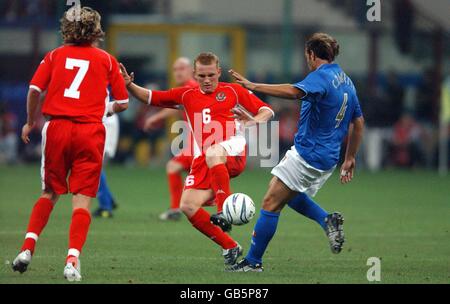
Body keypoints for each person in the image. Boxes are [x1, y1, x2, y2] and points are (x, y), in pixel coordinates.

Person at [120, 52, 274, 267]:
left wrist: (253, 121)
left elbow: (267, 110)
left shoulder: (233, 91)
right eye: (202, 75)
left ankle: (223, 210)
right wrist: (130, 86)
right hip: (206, 158)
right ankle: (230, 246)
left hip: (233, 150)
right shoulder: (187, 95)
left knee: (212, 152)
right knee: (188, 206)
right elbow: (151, 97)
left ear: (219, 72)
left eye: (211, 74)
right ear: (195, 74)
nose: (207, 80)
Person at [228, 33, 365, 272]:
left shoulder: (321, 77)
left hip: (308, 155)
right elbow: (359, 121)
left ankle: (253, 262)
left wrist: (253, 86)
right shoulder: (346, 81)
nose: (307, 61)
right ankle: (326, 219)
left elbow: (293, 92)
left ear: (312, 55)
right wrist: (350, 157)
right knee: (288, 196)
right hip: (327, 158)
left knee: (271, 201)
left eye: (306, 56)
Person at [11, 6, 129, 281]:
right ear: (96, 30)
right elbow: (122, 103)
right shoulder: (107, 60)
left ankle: (27, 249)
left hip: (58, 128)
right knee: (82, 201)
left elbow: (34, 91)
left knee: (49, 193)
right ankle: (72, 260)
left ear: (66, 29)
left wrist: (29, 121)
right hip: (90, 131)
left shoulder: (54, 55)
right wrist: (103, 109)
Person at [143, 57, 198, 221]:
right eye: (175, 69)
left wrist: (156, 117)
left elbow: (175, 107)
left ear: (191, 71)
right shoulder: (186, 88)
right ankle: (176, 209)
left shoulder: (192, 88)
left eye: (181, 68)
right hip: (195, 144)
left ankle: (222, 207)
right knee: (174, 167)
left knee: (184, 172)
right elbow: (177, 106)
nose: (178, 72)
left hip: (202, 144)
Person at [93, 113, 120, 218]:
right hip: (97, 118)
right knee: (95, 165)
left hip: (106, 119)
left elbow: (122, 102)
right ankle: (108, 199)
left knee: (96, 166)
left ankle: (106, 206)